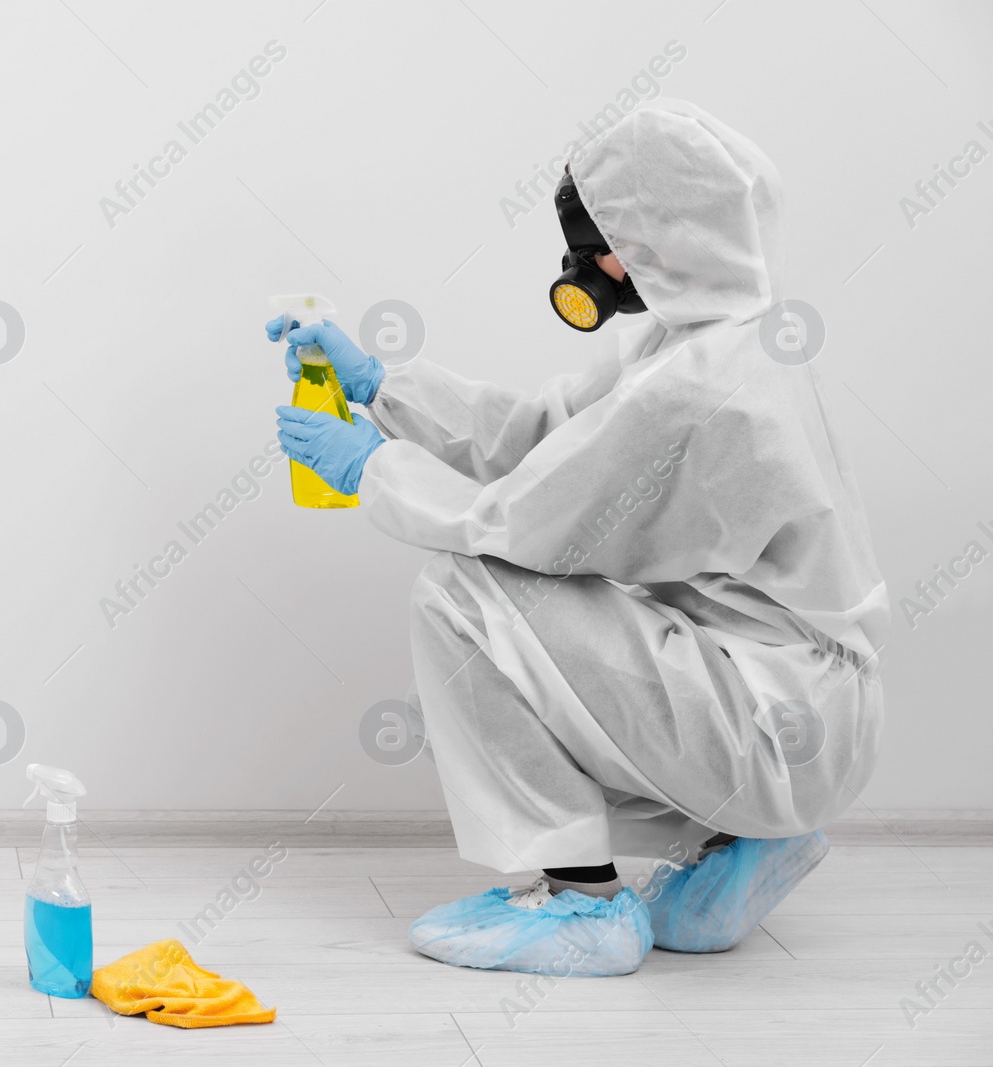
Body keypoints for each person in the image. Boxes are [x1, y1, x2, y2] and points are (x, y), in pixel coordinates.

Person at [269, 100, 885, 976]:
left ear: (667, 239)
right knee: (578, 617)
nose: (587, 266)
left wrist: (371, 466)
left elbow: (516, 521)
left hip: (765, 722)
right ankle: (746, 842)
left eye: (602, 240)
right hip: (810, 713)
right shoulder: (720, 341)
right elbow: (545, 433)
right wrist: (382, 385)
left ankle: (581, 901)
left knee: (465, 592)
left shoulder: (698, 386)